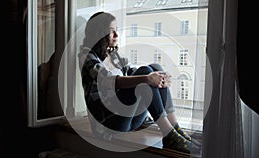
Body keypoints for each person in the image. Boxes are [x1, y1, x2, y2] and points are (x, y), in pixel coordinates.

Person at [78, 11, 201, 153]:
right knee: (145, 73)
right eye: (112, 32)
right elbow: (110, 81)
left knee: (155, 68)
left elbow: (131, 73)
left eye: (117, 31)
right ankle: (168, 135)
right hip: (109, 124)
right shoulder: (86, 56)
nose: (117, 36)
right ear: (99, 33)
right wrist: (147, 78)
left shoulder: (113, 55)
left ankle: (175, 129)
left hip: (128, 119)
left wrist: (159, 76)